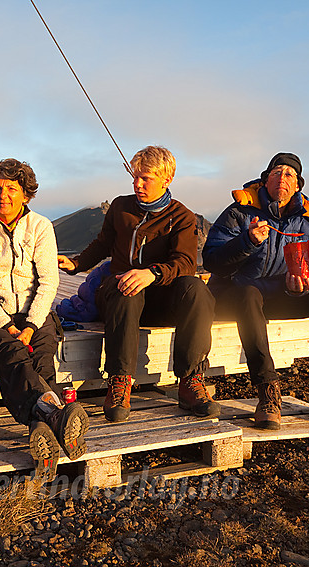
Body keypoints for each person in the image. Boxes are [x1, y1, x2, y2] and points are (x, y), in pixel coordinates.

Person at [202, 152, 309, 430]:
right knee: (249, 294)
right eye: (276, 172)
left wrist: (300, 287)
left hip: (279, 297)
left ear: (297, 186)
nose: (282, 177)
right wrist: (247, 240)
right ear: (265, 180)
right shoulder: (239, 212)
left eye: (289, 174)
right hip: (232, 295)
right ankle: (267, 390)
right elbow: (212, 260)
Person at [58, 146, 217, 422]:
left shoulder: (181, 216)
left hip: (159, 298)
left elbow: (185, 263)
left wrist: (152, 273)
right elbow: (102, 244)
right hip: (119, 298)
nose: (137, 184)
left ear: (167, 179)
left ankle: (191, 381)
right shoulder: (121, 207)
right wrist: (77, 264)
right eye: (135, 177)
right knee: (126, 285)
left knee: (197, 290)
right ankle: (120, 382)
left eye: (146, 178)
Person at [0, 158, 88, 483]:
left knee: (43, 361)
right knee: (16, 356)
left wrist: (31, 324)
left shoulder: (40, 227)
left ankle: (42, 427)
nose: (3, 194)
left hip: (37, 313)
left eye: (12, 188)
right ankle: (59, 421)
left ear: (26, 194)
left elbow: (49, 282)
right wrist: (7, 325)